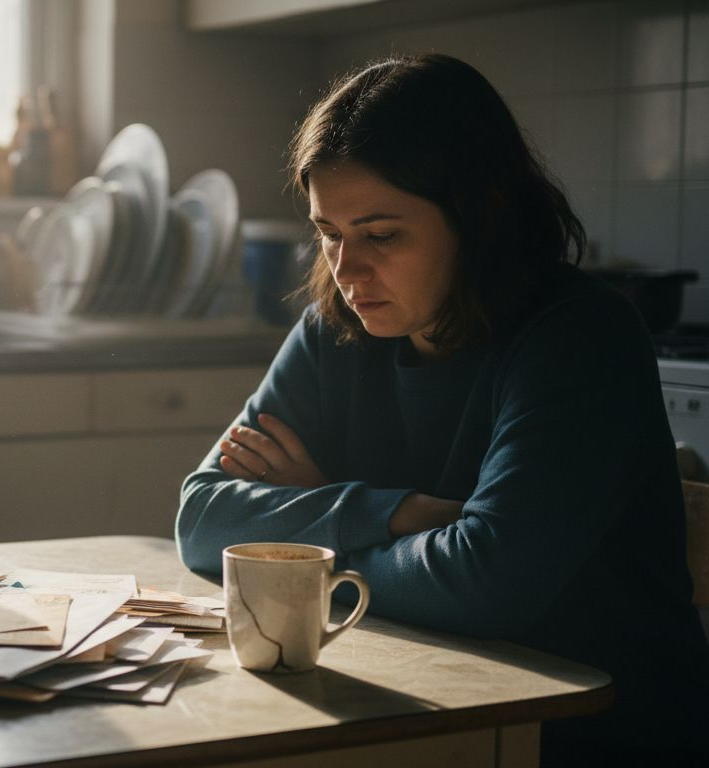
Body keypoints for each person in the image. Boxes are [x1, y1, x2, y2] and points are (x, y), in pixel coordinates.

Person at [176, 53, 709, 764]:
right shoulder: (339, 323)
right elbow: (202, 517)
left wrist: (304, 532)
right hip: (428, 702)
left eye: (381, 235)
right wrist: (398, 513)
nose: (346, 270)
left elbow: (485, 587)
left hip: (590, 735)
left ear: (482, 212)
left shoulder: (581, 336)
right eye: (330, 233)